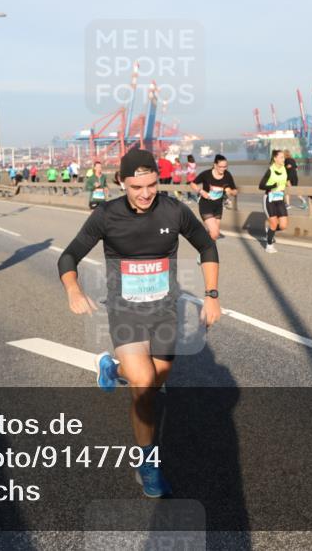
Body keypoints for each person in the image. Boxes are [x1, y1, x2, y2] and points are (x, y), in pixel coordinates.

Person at [58, 148, 221, 498]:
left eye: (152, 185)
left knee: (155, 380)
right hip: (125, 311)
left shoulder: (174, 210)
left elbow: (207, 246)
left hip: (164, 312)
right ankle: (146, 465)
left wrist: (211, 295)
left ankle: (112, 369)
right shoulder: (106, 216)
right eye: (136, 187)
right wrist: (73, 288)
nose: (146, 193)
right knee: (145, 385)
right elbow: (69, 255)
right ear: (122, 182)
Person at [190, 154, 238, 241]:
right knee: (215, 233)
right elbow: (192, 184)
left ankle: (208, 253)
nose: (223, 169)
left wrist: (230, 191)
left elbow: (235, 191)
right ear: (215, 165)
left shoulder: (227, 175)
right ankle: (206, 251)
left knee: (213, 236)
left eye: (225, 167)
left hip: (218, 207)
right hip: (205, 205)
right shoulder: (206, 174)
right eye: (221, 167)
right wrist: (201, 191)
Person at [258, 150, 289, 254]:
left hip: (279, 199)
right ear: (275, 158)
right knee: (274, 223)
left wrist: (287, 184)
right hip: (269, 199)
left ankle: (270, 231)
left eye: (283, 157)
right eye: (281, 157)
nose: (283, 159)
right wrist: (273, 186)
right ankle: (269, 245)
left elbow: (285, 180)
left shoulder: (284, 169)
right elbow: (261, 186)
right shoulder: (270, 170)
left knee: (283, 225)